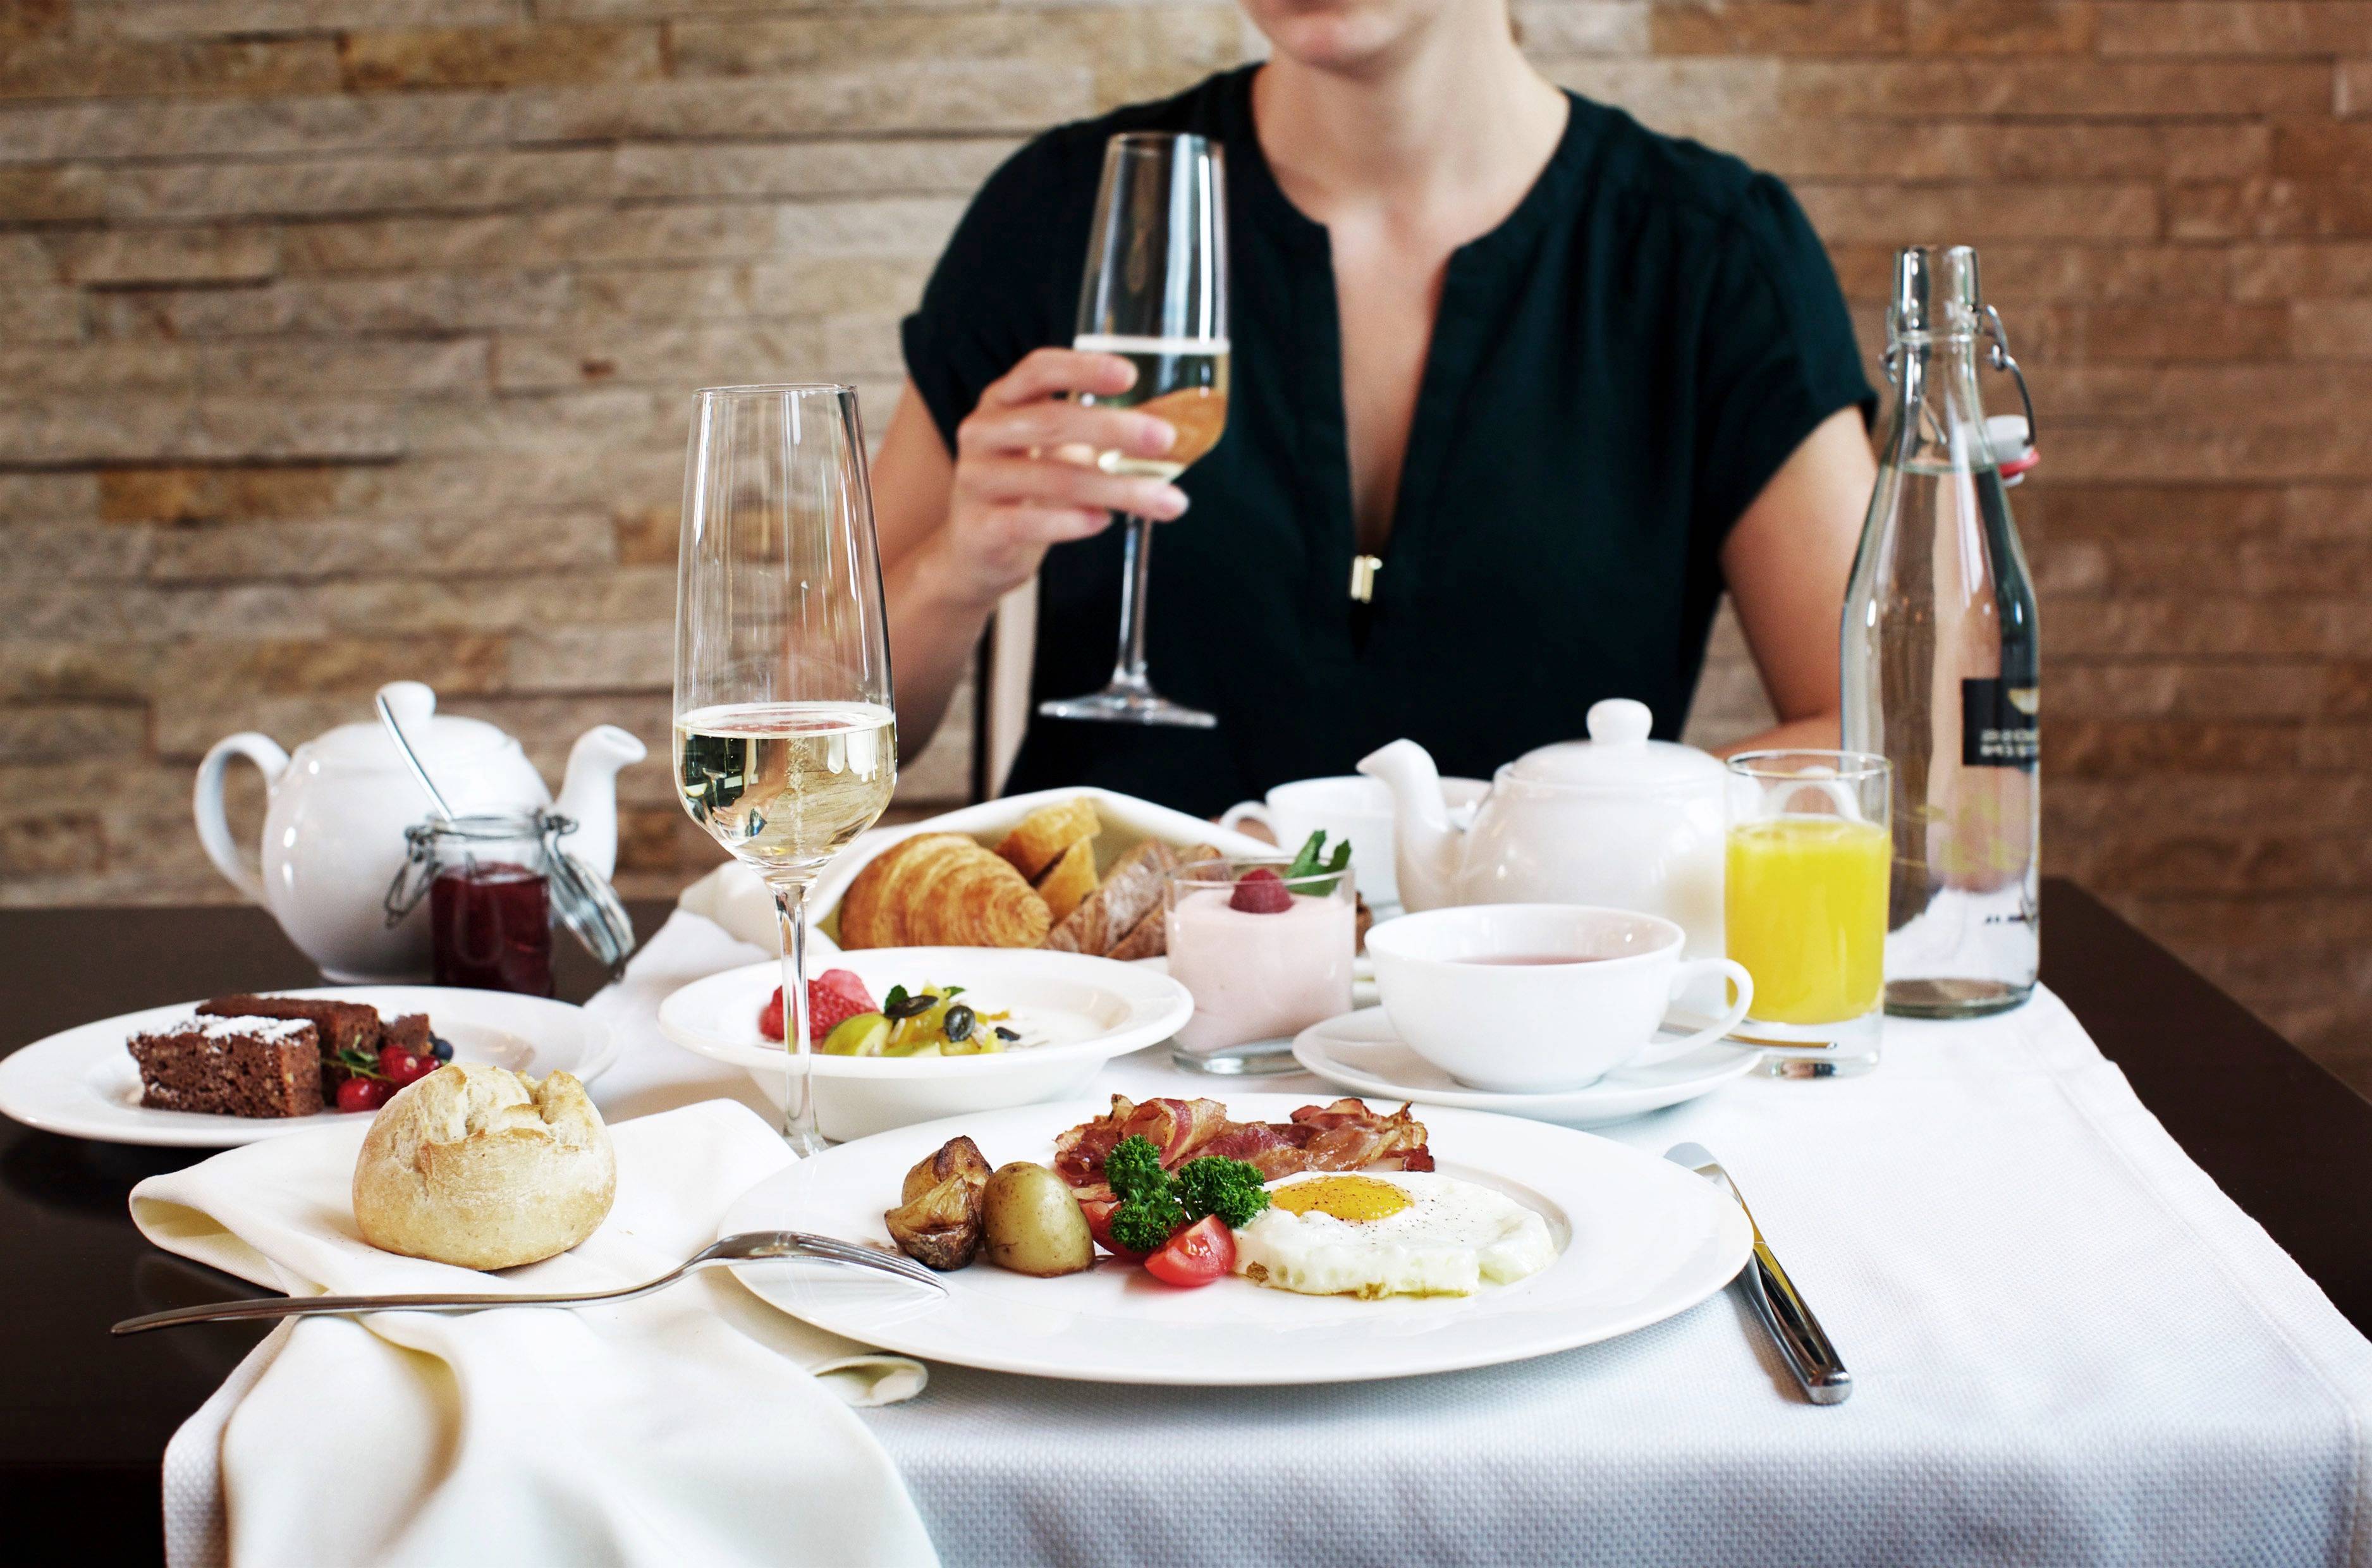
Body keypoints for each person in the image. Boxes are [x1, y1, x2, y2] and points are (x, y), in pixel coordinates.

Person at [872, 0, 1877, 818]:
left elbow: (1891, 737)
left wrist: (1573, 830)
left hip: (1515, 1037)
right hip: (1091, 1022)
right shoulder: (1063, 210)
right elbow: (810, 742)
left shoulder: (1713, 255)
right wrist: (954, 574)